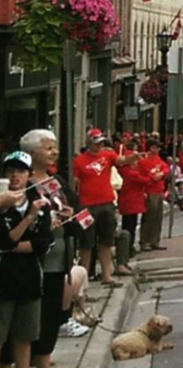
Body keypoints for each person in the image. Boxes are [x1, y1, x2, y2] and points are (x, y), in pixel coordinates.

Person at [18, 130, 92, 367]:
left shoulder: (57, 181)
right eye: (48, 148)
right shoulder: (22, 185)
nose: (54, 152)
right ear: (30, 153)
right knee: (32, 320)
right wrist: (43, 224)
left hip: (61, 259)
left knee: (51, 317)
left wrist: (74, 219)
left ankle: (44, 360)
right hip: (35, 262)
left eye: (54, 147)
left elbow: (83, 215)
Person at [0, 151, 52, 368]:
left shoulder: (40, 204)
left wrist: (14, 246)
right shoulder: (2, 206)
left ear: (29, 174)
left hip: (29, 278)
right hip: (3, 280)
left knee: (25, 336)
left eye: (20, 170)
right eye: (10, 170)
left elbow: (44, 243)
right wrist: (28, 218)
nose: (14, 175)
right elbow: (5, 242)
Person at [72, 129, 139, 286]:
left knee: (106, 240)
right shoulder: (79, 161)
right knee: (86, 243)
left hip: (106, 203)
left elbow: (121, 160)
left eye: (101, 142)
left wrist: (133, 157)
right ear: (89, 142)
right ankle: (84, 277)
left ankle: (106, 275)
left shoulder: (108, 156)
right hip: (85, 206)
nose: (99, 146)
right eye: (96, 142)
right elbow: (74, 183)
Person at [115, 141, 147, 265]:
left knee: (128, 225)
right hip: (131, 203)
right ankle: (128, 249)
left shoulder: (125, 171)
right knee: (130, 227)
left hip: (128, 203)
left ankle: (128, 248)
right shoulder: (130, 173)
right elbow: (145, 180)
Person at [137, 141, 169, 252]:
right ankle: (144, 241)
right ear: (152, 148)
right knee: (149, 218)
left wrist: (162, 173)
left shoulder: (157, 159)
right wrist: (157, 175)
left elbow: (165, 168)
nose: (158, 150)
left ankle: (155, 241)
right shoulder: (143, 161)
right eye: (157, 148)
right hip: (149, 191)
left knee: (157, 217)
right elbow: (150, 176)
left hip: (159, 190)